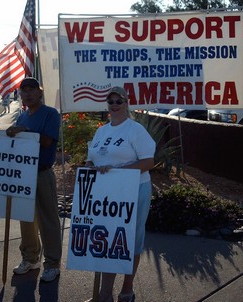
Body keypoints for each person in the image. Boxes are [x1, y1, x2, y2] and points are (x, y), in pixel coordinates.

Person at [85, 86, 156, 302]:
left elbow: (148, 162)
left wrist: (117, 173)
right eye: (111, 101)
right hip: (106, 194)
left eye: (119, 101)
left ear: (126, 104)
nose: (115, 104)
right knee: (108, 240)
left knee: (131, 240)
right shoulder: (101, 131)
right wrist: (91, 167)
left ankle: (127, 287)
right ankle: (104, 293)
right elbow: (90, 159)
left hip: (134, 191)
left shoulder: (135, 130)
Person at [5, 77, 62, 282]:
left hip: (42, 172)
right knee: (26, 219)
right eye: (24, 91)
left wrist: (25, 132)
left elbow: (47, 141)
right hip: (23, 173)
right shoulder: (22, 117)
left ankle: (52, 263)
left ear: (40, 92)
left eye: (31, 90)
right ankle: (30, 258)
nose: (27, 94)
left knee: (48, 220)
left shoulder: (50, 114)